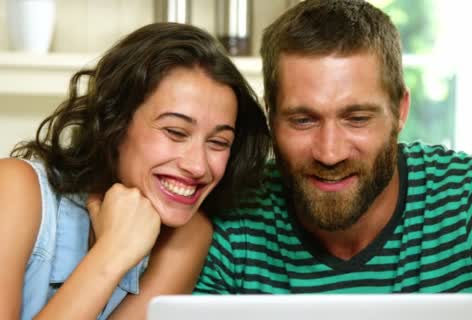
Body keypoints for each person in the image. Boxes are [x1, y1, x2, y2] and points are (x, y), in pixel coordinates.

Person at [194, 0, 472, 319]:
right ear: (270, 116)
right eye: (303, 120)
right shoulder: (234, 218)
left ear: (400, 111)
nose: (330, 152)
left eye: (357, 118)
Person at [0, 22, 270, 319]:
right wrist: (113, 251)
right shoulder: (14, 188)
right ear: (114, 122)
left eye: (219, 142)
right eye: (175, 132)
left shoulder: (188, 237)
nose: (197, 166)